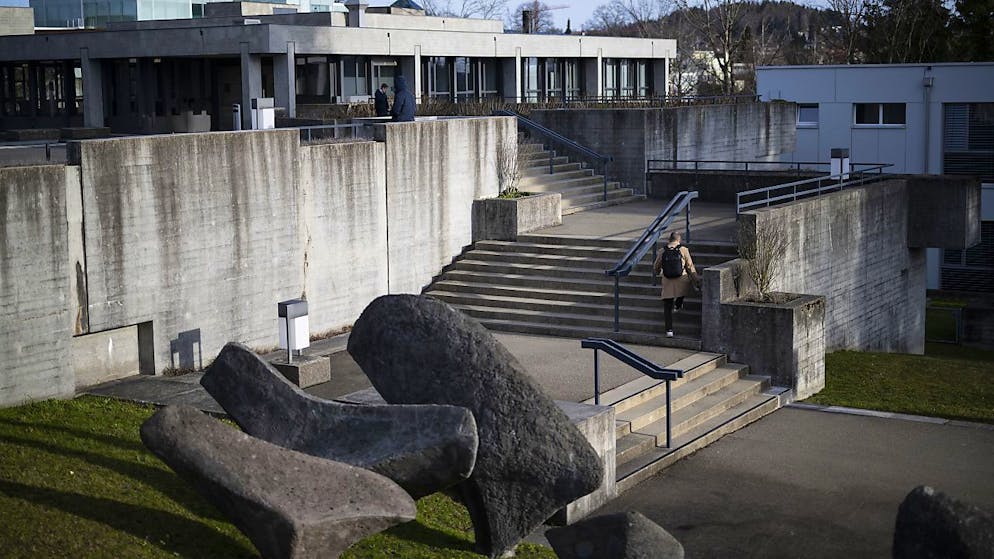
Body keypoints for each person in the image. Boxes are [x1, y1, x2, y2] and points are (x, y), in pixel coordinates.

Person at [653, 231, 699, 339]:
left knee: (667, 307)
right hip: (681, 279)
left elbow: (656, 266)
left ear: (669, 240)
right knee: (681, 291)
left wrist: (658, 271)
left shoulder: (662, 251)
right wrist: (696, 280)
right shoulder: (683, 250)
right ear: (679, 240)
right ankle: (679, 303)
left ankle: (669, 330)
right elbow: (690, 266)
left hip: (667, 280)